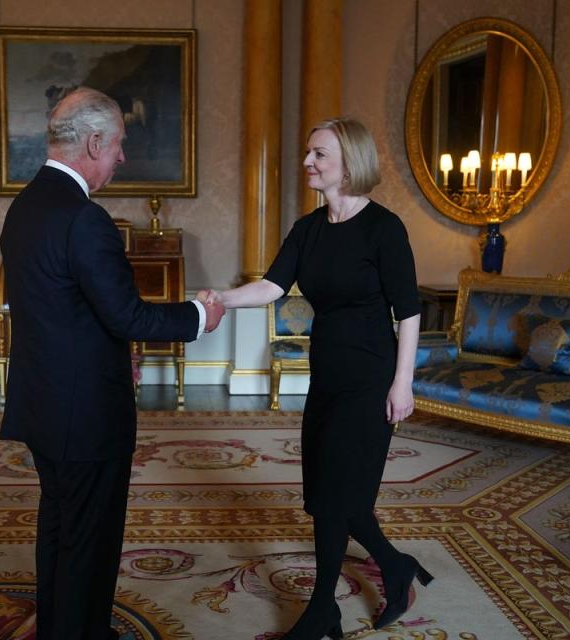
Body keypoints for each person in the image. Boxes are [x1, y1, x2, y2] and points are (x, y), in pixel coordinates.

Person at [0, 87, 224, 640]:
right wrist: (200, 315)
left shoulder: (24, 208)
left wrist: (113, 356)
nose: (122, 156)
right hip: (86, 417)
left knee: (59, 531)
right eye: (119, 143)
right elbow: (128, 317)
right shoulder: (85, 219)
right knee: (89, 545)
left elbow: (65, 316)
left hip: (43, 404)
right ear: (95, 141)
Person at [200, 117, 431, 638]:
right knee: (329, 495)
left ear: (349, 162)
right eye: (309, 153)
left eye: (319, 154)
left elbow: (410, 312)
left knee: (337, 498)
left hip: (372, 377)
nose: (308, 162)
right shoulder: (308, 228)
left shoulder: (384, 228)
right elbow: (271, 286)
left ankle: (322, 607)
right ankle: (395, 566)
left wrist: (403, 383)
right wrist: (218, 300)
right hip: (325, 376)